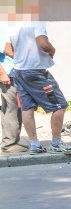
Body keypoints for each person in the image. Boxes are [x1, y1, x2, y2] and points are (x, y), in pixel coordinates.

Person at [7, 1, 71, 155]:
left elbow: (8, 50)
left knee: (27, 108)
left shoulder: (13, 26)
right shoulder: (36, 22)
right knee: (60, 105)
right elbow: (43, 44)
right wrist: (52, 51)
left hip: (19, 71)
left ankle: (35, 145)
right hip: (36, 71)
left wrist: (22, 59)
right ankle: (56, 143)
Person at [0, 21, 29, 153]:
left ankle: (13, 140)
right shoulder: (4, 27)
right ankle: (8, 144)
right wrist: (2, 73)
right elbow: (5, 51)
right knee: (11, 107)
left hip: (13, 72)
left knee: (15, 107)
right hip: (8, 73)